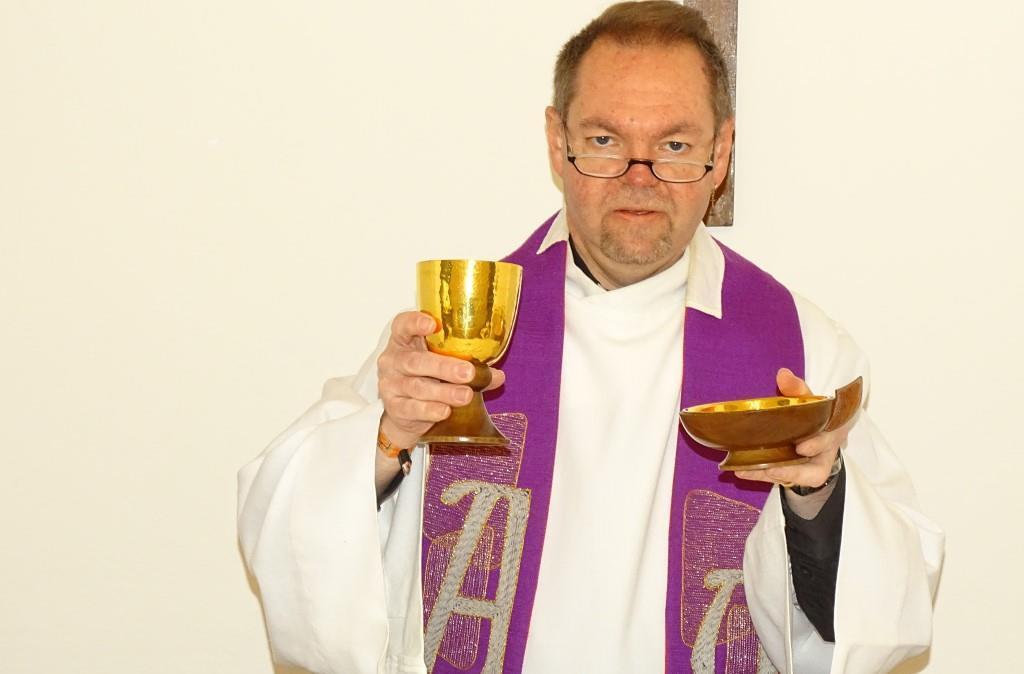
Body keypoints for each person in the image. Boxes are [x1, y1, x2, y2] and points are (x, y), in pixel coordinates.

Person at [237, 3, 944, 673]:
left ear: (721, 151)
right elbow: (288, 525)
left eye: (674, 145)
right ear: (558, 142)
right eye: (606, 142)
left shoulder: (801, 350)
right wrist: (388, 437)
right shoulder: (459, 335)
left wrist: (819, 493)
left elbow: (885, 607)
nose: (640, 179)